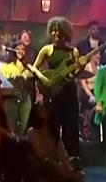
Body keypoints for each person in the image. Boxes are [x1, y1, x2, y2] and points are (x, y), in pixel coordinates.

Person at [33, 17, 83, 162]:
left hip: (69, 92)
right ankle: (53, 158)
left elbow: (77, 72)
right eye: (53, 30)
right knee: (53, 125)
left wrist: (81, 67)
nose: (55, 33)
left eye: (58, 30)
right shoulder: (47, 49)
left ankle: (72, 158)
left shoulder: (73, 51)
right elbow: (34, 68)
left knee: (71, 127)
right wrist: (43, 79)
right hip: (54, 92)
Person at [26, 102, 84, 182]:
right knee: (49, 164)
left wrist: (66, 164)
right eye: (41, 109)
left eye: (45, 109)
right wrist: (58, 164)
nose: (44, 111)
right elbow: (40, 154)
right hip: (43, 164)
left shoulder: (53, 131)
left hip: (56, 162)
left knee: (76, 160)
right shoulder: (32, 132)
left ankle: (63, 177)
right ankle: (66, 177)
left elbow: (61, 151)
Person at [0, 41, 37, 137]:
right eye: (18, 49)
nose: (20, 51)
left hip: (25, 98)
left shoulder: (27, 65)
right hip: (10, 98)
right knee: (11, 126)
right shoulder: (4, 65)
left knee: (23, 126)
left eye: (22, 49)